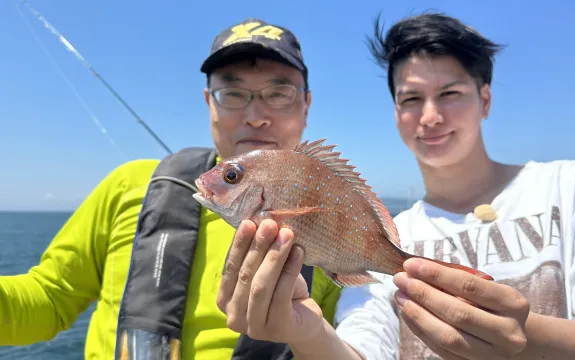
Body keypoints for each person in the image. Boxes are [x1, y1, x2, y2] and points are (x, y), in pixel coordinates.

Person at [216, 10, 575, 360]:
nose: (430, 116)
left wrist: (532, 336)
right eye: (411, 99)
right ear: (396, 110)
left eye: (450, 93)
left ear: (486, 99)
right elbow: (362, 345)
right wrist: (305, 334)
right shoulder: (401, 234)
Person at [0, 18, 341, 360]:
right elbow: (50, 299)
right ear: (210, 102)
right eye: (233, 93)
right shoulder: (129, 185)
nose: (255, 115)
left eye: (279, 94)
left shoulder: (338, 219)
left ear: (306, 105)